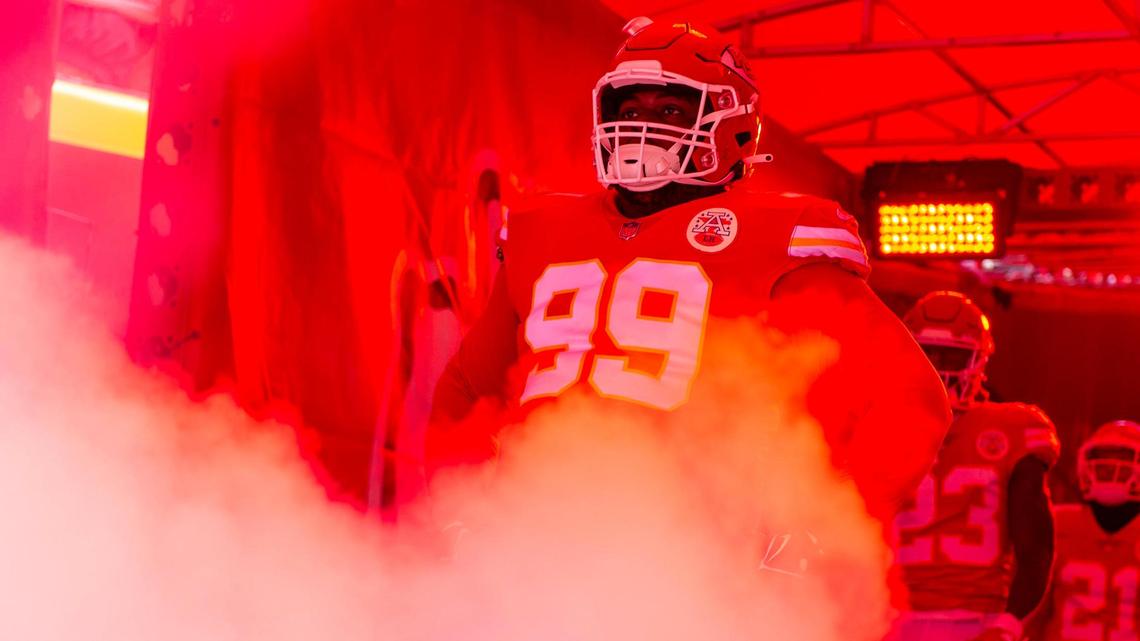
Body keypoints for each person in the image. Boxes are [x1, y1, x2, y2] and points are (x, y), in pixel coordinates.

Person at [427, 17, 950, 518]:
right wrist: (458, 509)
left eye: (671, 110)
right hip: (537, 534)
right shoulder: (540, 228)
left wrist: (822, 532)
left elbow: (912, 400)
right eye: (628, 109)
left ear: (736, 124)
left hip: (697, 552)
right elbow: (466, 391)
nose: (642, 126)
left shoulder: (782, 233)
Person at [890, 291, 1059, 641]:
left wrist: (1010, 621)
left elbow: (1036, 548)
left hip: (976, 619)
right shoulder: (874, 422)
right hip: (886, 611)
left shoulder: (1012, 429)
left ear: (978, 360)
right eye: (928, 353)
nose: (939, 367)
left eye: (952, 355)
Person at [1031, 420, 1140, 641]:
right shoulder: (1059, 522)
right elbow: (1033, 611)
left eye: (1122, 461)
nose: (1112, 471)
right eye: (1104, 464)